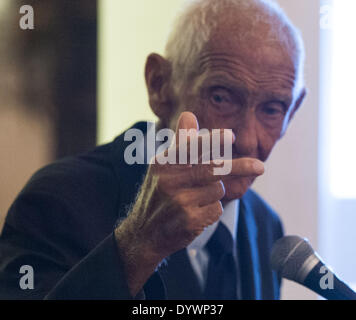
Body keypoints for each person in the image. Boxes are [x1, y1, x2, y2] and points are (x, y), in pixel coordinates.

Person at [0, 0, 306, 300]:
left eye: (272, 109)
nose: (248, 141)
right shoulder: (56, 201)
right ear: (159, 85)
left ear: (292, 111)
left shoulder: (266, 226)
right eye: (221, 98)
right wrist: (139, 246)